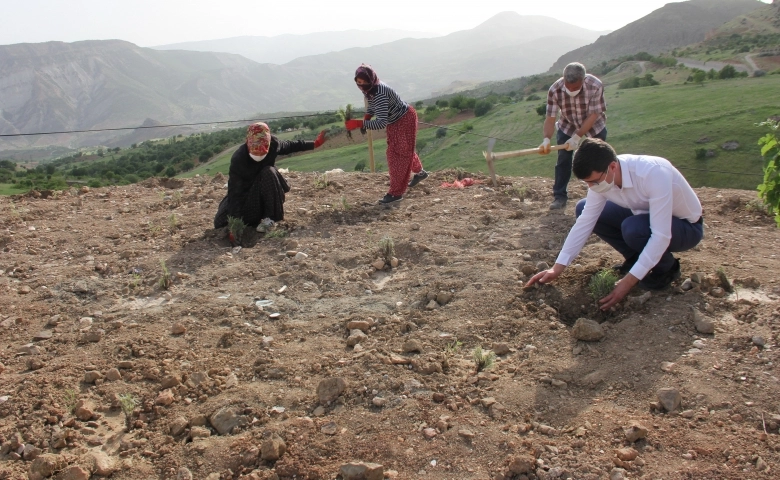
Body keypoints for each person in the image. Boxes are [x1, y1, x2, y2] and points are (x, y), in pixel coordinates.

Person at [526, 138, 704, 310]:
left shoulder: (653, 173)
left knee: (633, 229)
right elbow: (586, 220)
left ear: (612, 167)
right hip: (642, 217)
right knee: (583, 208)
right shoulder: (602, 179)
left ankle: (666, 269)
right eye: (586, 183)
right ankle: (636, 259)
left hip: (685, 227)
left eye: (594, 181)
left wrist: (628, 283)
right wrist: (557, 268)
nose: (591, 187)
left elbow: (661, 236)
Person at [214, 122, 326, 232]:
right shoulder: (239, 159)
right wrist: (235, 225)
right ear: (248, 142)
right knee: (220, 222)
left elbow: (291, 146)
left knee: (268, 171)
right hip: (247, 193)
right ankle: (252, 219)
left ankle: (270, 217)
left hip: (269, 190)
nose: (259, 156)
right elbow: (235, 192)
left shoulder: (274, 144)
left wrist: (314, 144)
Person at [344, 64, 428, 204]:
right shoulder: (371, 88)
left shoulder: (380, 92)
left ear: (370, 79)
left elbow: (381, 122)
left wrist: (360, 123)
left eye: (364, 81)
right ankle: (420, 173)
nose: (361, 85)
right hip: (395, 121)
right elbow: (371, 103)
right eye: (358, 82)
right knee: (404, 150)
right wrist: (367, 118)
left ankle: (396, 193)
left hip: (404, 119)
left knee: (396, 155)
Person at [539, 62, 607, 210]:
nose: (571, 90)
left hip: (593, 124)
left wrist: (577, 137)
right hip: (567, 124)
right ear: (563, 80)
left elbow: (594, 114)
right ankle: (559, 196)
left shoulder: (595, 85)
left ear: (583, 80)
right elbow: (550, 118)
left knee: (599, 158)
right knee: (563, 159)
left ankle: (602, 194)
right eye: (568, 87)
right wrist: (546, 139)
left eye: (575, 88)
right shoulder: (555, 90)